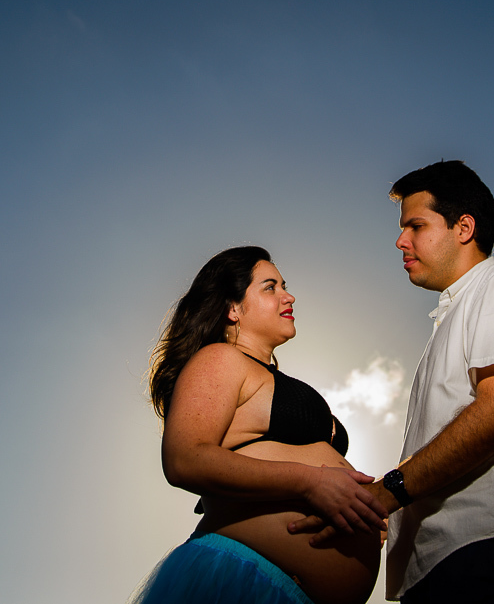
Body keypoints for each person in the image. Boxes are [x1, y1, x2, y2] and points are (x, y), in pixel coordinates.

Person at [290, 161, 494, 603]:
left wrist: (387, 494)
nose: (400, 240)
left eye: (416, 225)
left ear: (464, 227)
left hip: (493, 552)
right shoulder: (451, 320)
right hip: (443, 565)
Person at [129, 246, 388, 604]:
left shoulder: (264, 375)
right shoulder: (221, 359)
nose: (288, 295)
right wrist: (312, 482)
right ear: (233, 308)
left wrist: (355, 510)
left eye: (285, 285)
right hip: (237, 583)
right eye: (271, 287)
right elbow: (184, 460)